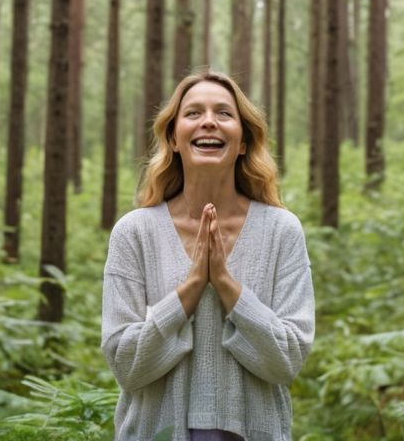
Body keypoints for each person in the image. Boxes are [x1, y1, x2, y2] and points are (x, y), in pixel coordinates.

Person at [101, 70, 315, 441]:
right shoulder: (134, 232)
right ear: (174, 137)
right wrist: (192, 287)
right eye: (194, 113)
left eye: (224, 114)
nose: (209, 123)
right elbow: (125, 363)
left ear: (244, 141)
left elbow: (288, 358)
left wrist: (228, 286)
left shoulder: (282, 231)